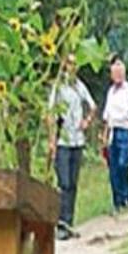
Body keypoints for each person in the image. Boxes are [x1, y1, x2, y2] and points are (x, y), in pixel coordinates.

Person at [49, 57, 95, 238]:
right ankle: (60, 223)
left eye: (74, 64)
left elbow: (92, 106)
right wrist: (52, 140)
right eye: (68, 64)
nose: (71, 68)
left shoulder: (79, 86)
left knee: (73, 183)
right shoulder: (58, 87)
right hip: (63, 140)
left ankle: (68, 221)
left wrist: (87, 121)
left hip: (78, 140)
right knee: (64, 182)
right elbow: (50, 114)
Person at [101, 55, 128, 212]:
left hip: (126, 129)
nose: (117, 76)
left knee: (123, 163)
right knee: (113, 167)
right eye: (115, 73)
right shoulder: (110, 92)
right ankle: (118, 200)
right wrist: (104, 136)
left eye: (120, 72)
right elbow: (107, 117)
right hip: (113, 130)